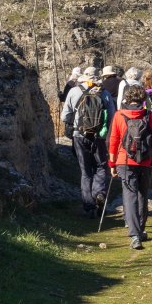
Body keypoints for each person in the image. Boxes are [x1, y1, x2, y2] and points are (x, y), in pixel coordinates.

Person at [108, 85, 152, 249]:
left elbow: (113, 141)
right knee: (142, 195)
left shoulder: (119, 115)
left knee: (129, 195)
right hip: (146, 161)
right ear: (143, 100)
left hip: (124, 161)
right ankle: (140, 231)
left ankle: (134, 235)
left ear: (126, 99)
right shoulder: (149, 116)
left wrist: (112, 163)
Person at [61, 67, 113, 217]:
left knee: (85, 172)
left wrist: (74, 122)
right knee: (101, 167)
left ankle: (89, 206)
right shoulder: (104, 93)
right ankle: (99, 193)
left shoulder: (74, 91)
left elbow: (65, 116)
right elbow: (111, 116)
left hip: (79, 135)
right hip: (99, 137)